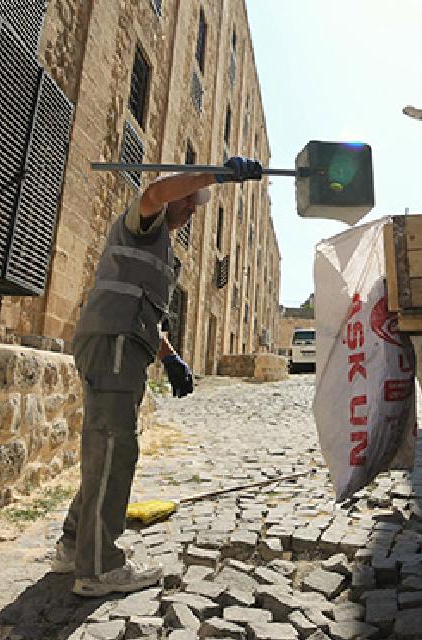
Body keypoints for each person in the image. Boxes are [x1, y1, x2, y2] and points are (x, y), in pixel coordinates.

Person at [51, 156, 264, 596]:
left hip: (124, 344)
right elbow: (153, 193)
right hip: (114, 341)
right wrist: (219, 175)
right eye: (187, 199)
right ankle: (98, 568)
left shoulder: (162, 250)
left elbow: (148, 312)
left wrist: (171, 358)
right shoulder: (143, 223)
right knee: (114, 448)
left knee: (107, 449)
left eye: (195, 203)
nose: (190, 209)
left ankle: (74, 546)